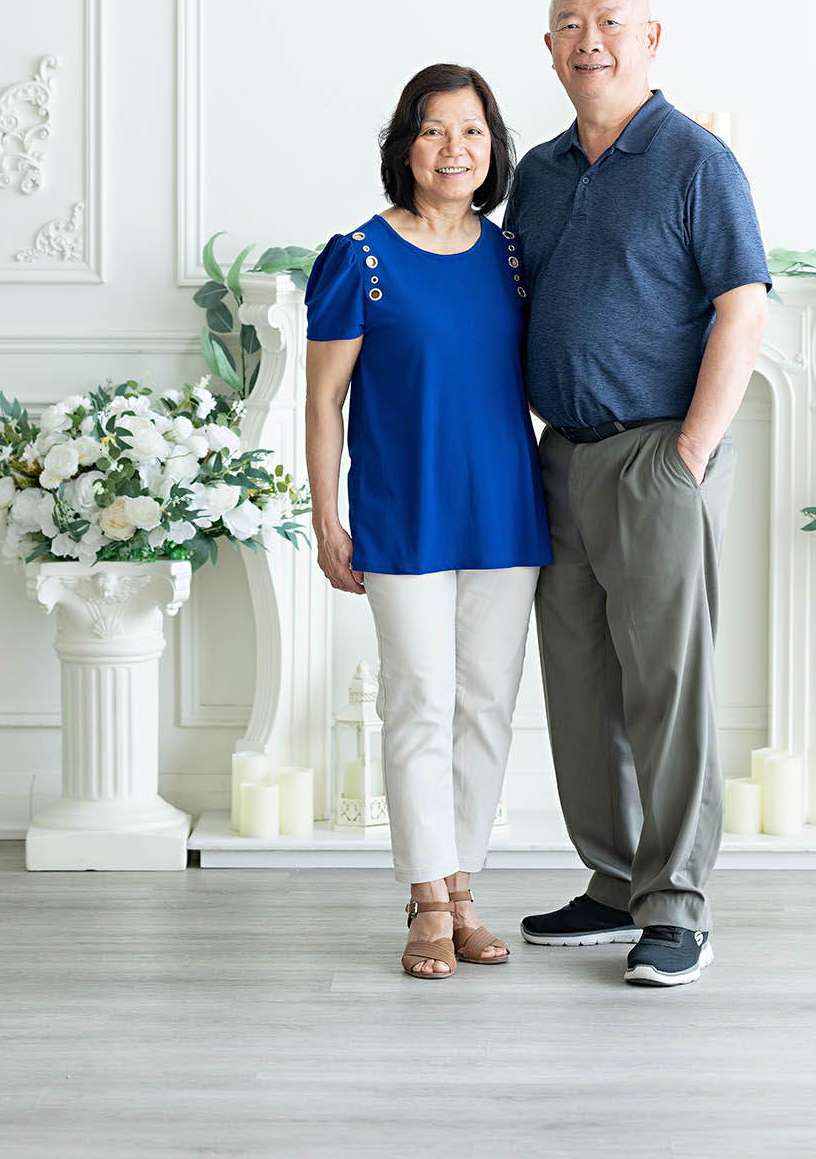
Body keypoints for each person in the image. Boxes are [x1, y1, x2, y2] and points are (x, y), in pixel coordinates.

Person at [505, 0, 772, 988]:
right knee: (577, 683)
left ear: (649, 38)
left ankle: (676, 904)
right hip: (559, 457)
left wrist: (689, 454)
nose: (589, 39)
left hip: (658, 456)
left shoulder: (695, 161)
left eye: (609, 20)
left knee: (667, 687)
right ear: (548, 48)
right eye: (568, 22)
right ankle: (611, 882)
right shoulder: (535, 171)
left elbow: (741, 308)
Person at [303, 63, 552, 980]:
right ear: (405, 146)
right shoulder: (359, 257)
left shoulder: (514, 257)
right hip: (402, 511)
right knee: (419, 704)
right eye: (436, 131)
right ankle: (424, 900)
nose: (457, 149)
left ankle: (463, 886)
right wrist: (327, 517)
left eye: (474, 132)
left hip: (505, 509)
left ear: (494, 150)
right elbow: (323, 403)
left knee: (486, 707)